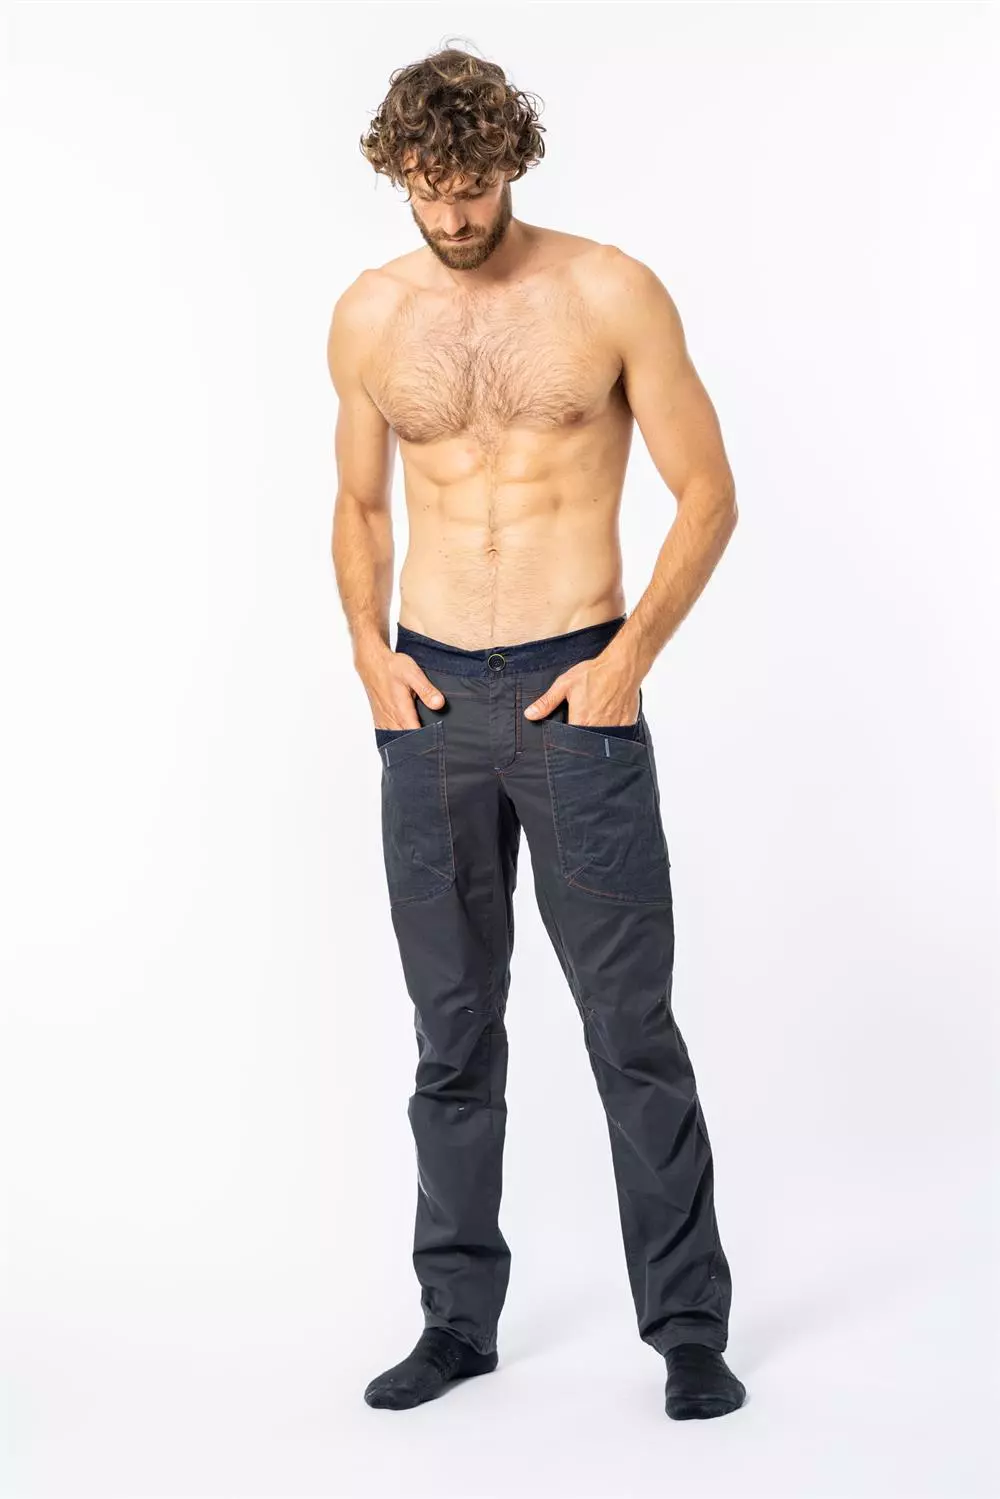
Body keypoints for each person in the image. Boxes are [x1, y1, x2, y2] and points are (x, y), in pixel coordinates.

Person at [327, 45, 746, 1421]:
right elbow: (363, 505)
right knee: (452, 1032)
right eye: (428, 189)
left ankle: (688, 1330)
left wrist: (626, 661)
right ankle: (457, 1323)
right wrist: (369, 655)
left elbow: (707, 493)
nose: (454, 214)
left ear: (514, 160)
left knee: (631, 1028)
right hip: (432, 704)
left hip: (578, 696)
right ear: (398, 175)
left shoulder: (609, 292)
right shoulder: (371, 315)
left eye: (474, 184)